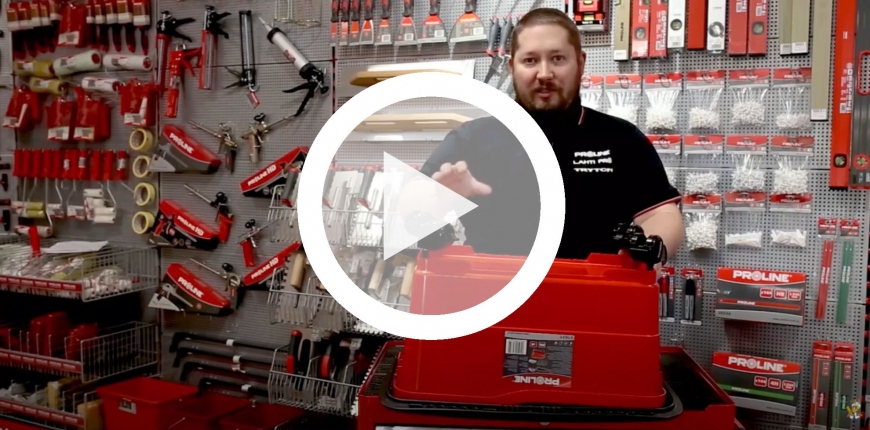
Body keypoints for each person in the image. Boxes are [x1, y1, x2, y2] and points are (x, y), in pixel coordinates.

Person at [401, 8, 684, 261]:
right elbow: (413, 200)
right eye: (530, 60)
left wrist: (652, 248)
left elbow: (660, 213)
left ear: (580, 63)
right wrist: (433, 207)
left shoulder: (621, 139)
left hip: (595, 295)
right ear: (512, 67)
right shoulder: (472, 139)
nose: (544, 73)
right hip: (495, 294)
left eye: (558, 59)